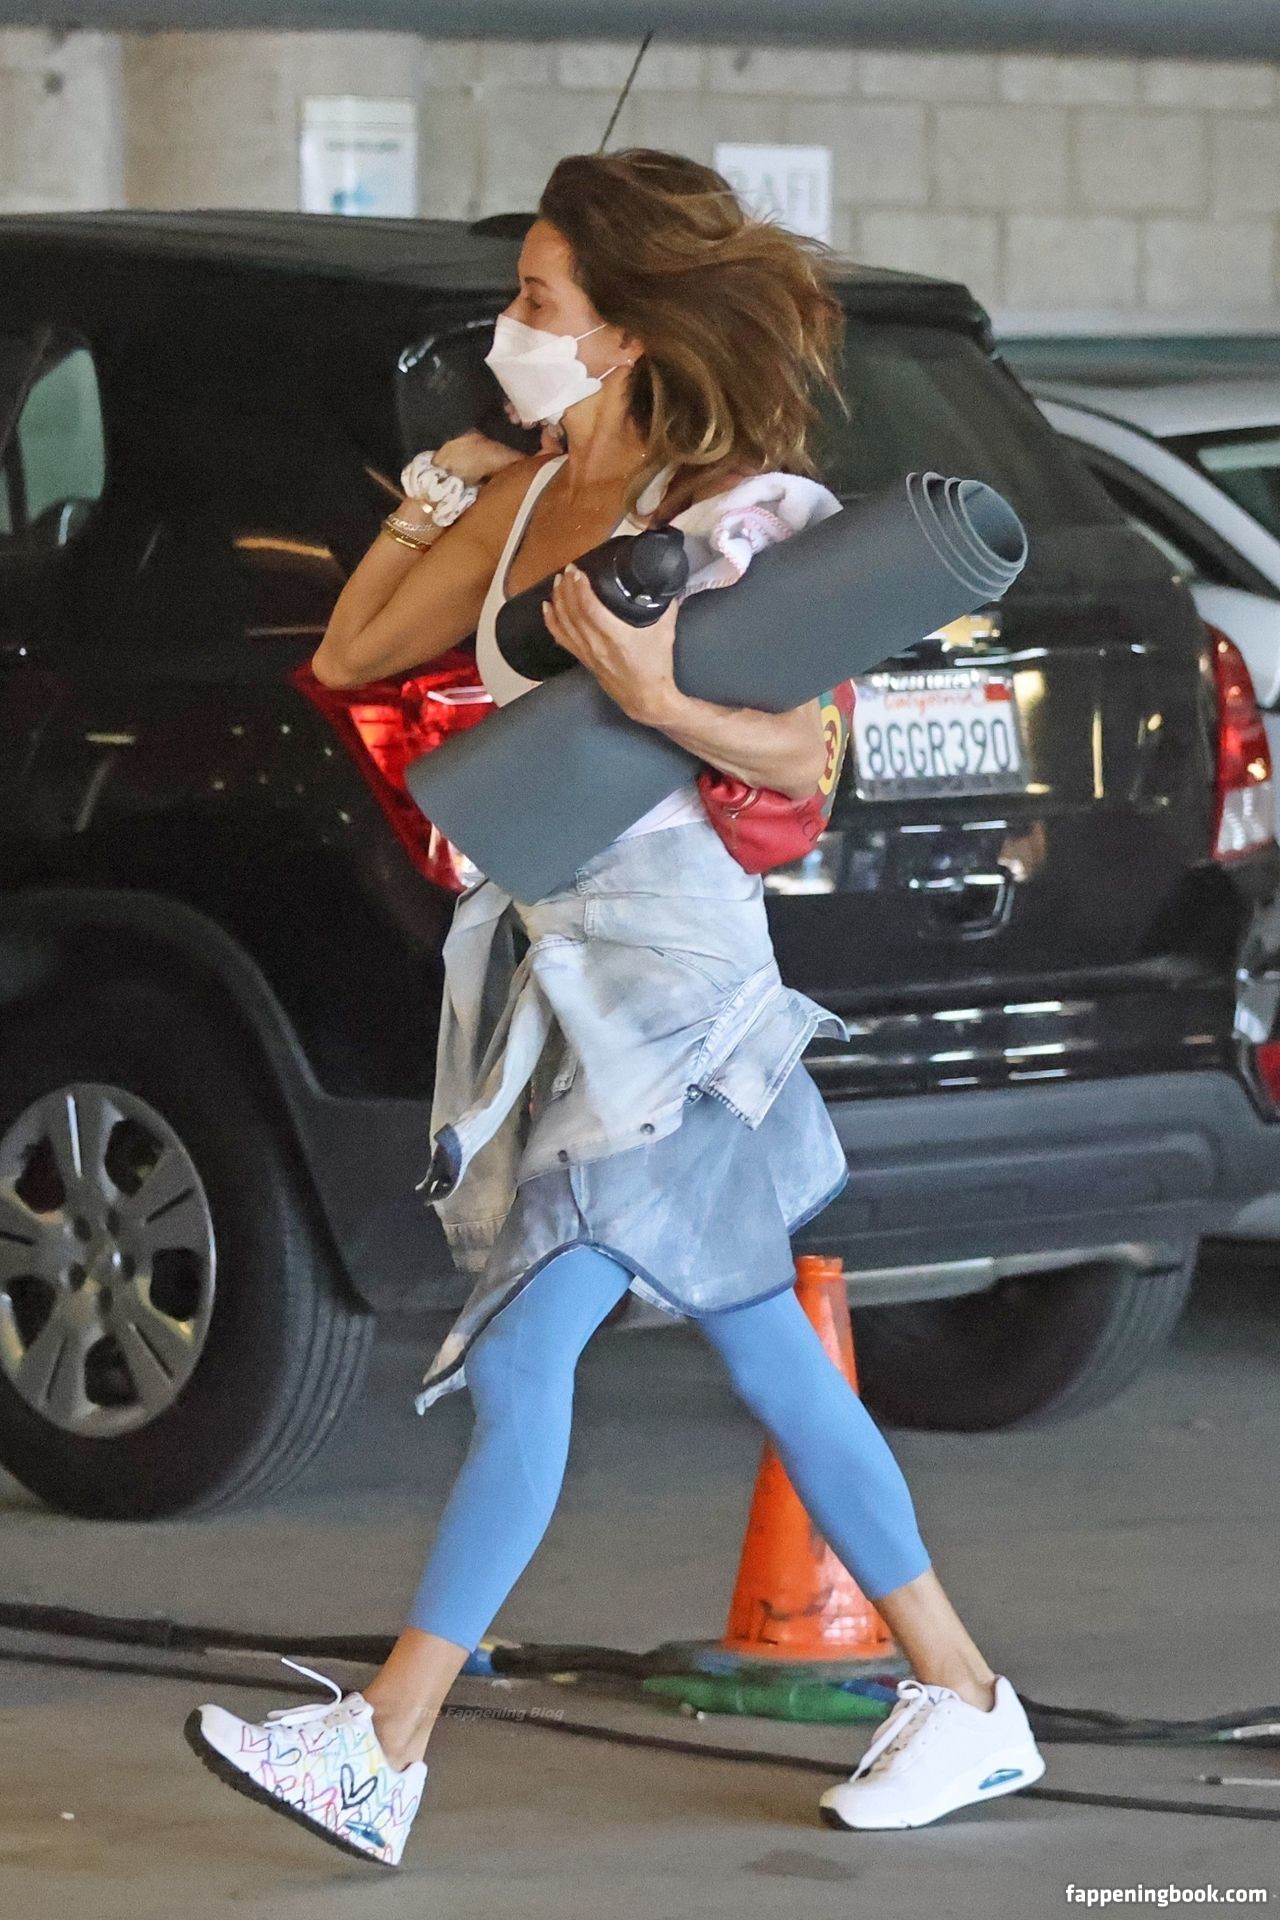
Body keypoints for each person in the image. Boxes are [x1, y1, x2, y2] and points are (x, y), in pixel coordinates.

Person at [182, 147, 1045, 1868]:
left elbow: (800, 757)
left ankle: (387, 1741)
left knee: (527, 1353)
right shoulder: (522, 500)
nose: (510, 326)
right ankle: (963, 1693)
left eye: (538, 299)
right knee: (771, 1354)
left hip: (674, 982)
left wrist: (656, 689)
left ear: (630, 330)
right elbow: (352, 653)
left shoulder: (735, 515)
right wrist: (436, 493)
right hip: (554, 972)